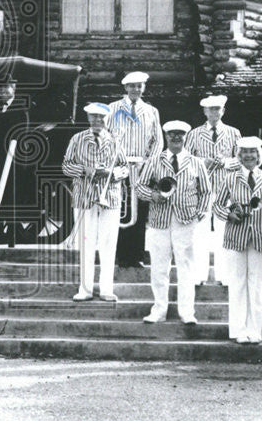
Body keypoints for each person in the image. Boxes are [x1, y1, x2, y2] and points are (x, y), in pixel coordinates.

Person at [135, 120, 211, 324]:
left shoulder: (196, 162)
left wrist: (200, 212)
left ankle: (187, 312)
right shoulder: (155, 160)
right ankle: (159, 310)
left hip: (186, 221)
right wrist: (153, 195)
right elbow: (139, 187)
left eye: (180, 134)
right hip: (160, 220)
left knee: (186, 268)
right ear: (166, 137)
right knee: (159, 267)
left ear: (185, 137)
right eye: (172, 134)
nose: (176, 138)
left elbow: (206, 192)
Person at [213, 137, 262, 343]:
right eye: (245, 152)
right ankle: (238, 330)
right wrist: (229, 214)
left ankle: (254, 330)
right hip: (236, 238)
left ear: (259, 155)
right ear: (239, 156)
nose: (249, 155)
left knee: (257, 286)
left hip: (261, 238)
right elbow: (217, 206)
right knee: (238, 284)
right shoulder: (230, 178)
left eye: (253, 152)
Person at [61, 102, 128, 302]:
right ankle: (85, 289)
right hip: (84, 197)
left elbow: (124, 167)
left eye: (102, 117)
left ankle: (107, 288)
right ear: (88, 118)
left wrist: (112, 173)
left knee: (109, 244)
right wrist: (84, 170)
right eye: (94, 117)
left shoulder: (116, 140)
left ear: (107, 119)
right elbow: (66, 166)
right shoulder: (77, 139)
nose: (98, 121)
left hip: (110, 197)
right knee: (86, 243)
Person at [107, 71, 162, 268]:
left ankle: (137, 255)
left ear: (144, 88)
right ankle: (120, 255)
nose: (135, 90)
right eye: (132, 86)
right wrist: (115, 162)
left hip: (142, 168)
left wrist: (149, 165)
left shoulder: (151, 111)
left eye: (139, 86)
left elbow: (157, 141)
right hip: (119, 166)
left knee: (139, 211)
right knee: (119, 209)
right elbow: (106, 138)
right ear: (125, 88)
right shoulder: (112, 109)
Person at [186, 94, 242, 286]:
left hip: (225, 190)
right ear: (204, 111)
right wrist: (204, 162)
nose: (214, 112)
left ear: (223, 111)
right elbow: (186, 161)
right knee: (199, 232)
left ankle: (224, 275)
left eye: (218, 109)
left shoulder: (234, 133)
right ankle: (198, 275)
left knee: (223, 231)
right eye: (210, 109)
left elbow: (242, 160)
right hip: (201, 190)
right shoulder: (193, 134)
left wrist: (225, 162)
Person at [0, 77, 30, 243]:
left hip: (14, 159)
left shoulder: (20, 107)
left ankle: (14, 232)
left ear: (14, 89)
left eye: (6, 89)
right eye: (0, 90)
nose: (3, 92)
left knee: (12, 195)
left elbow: (21, 131)